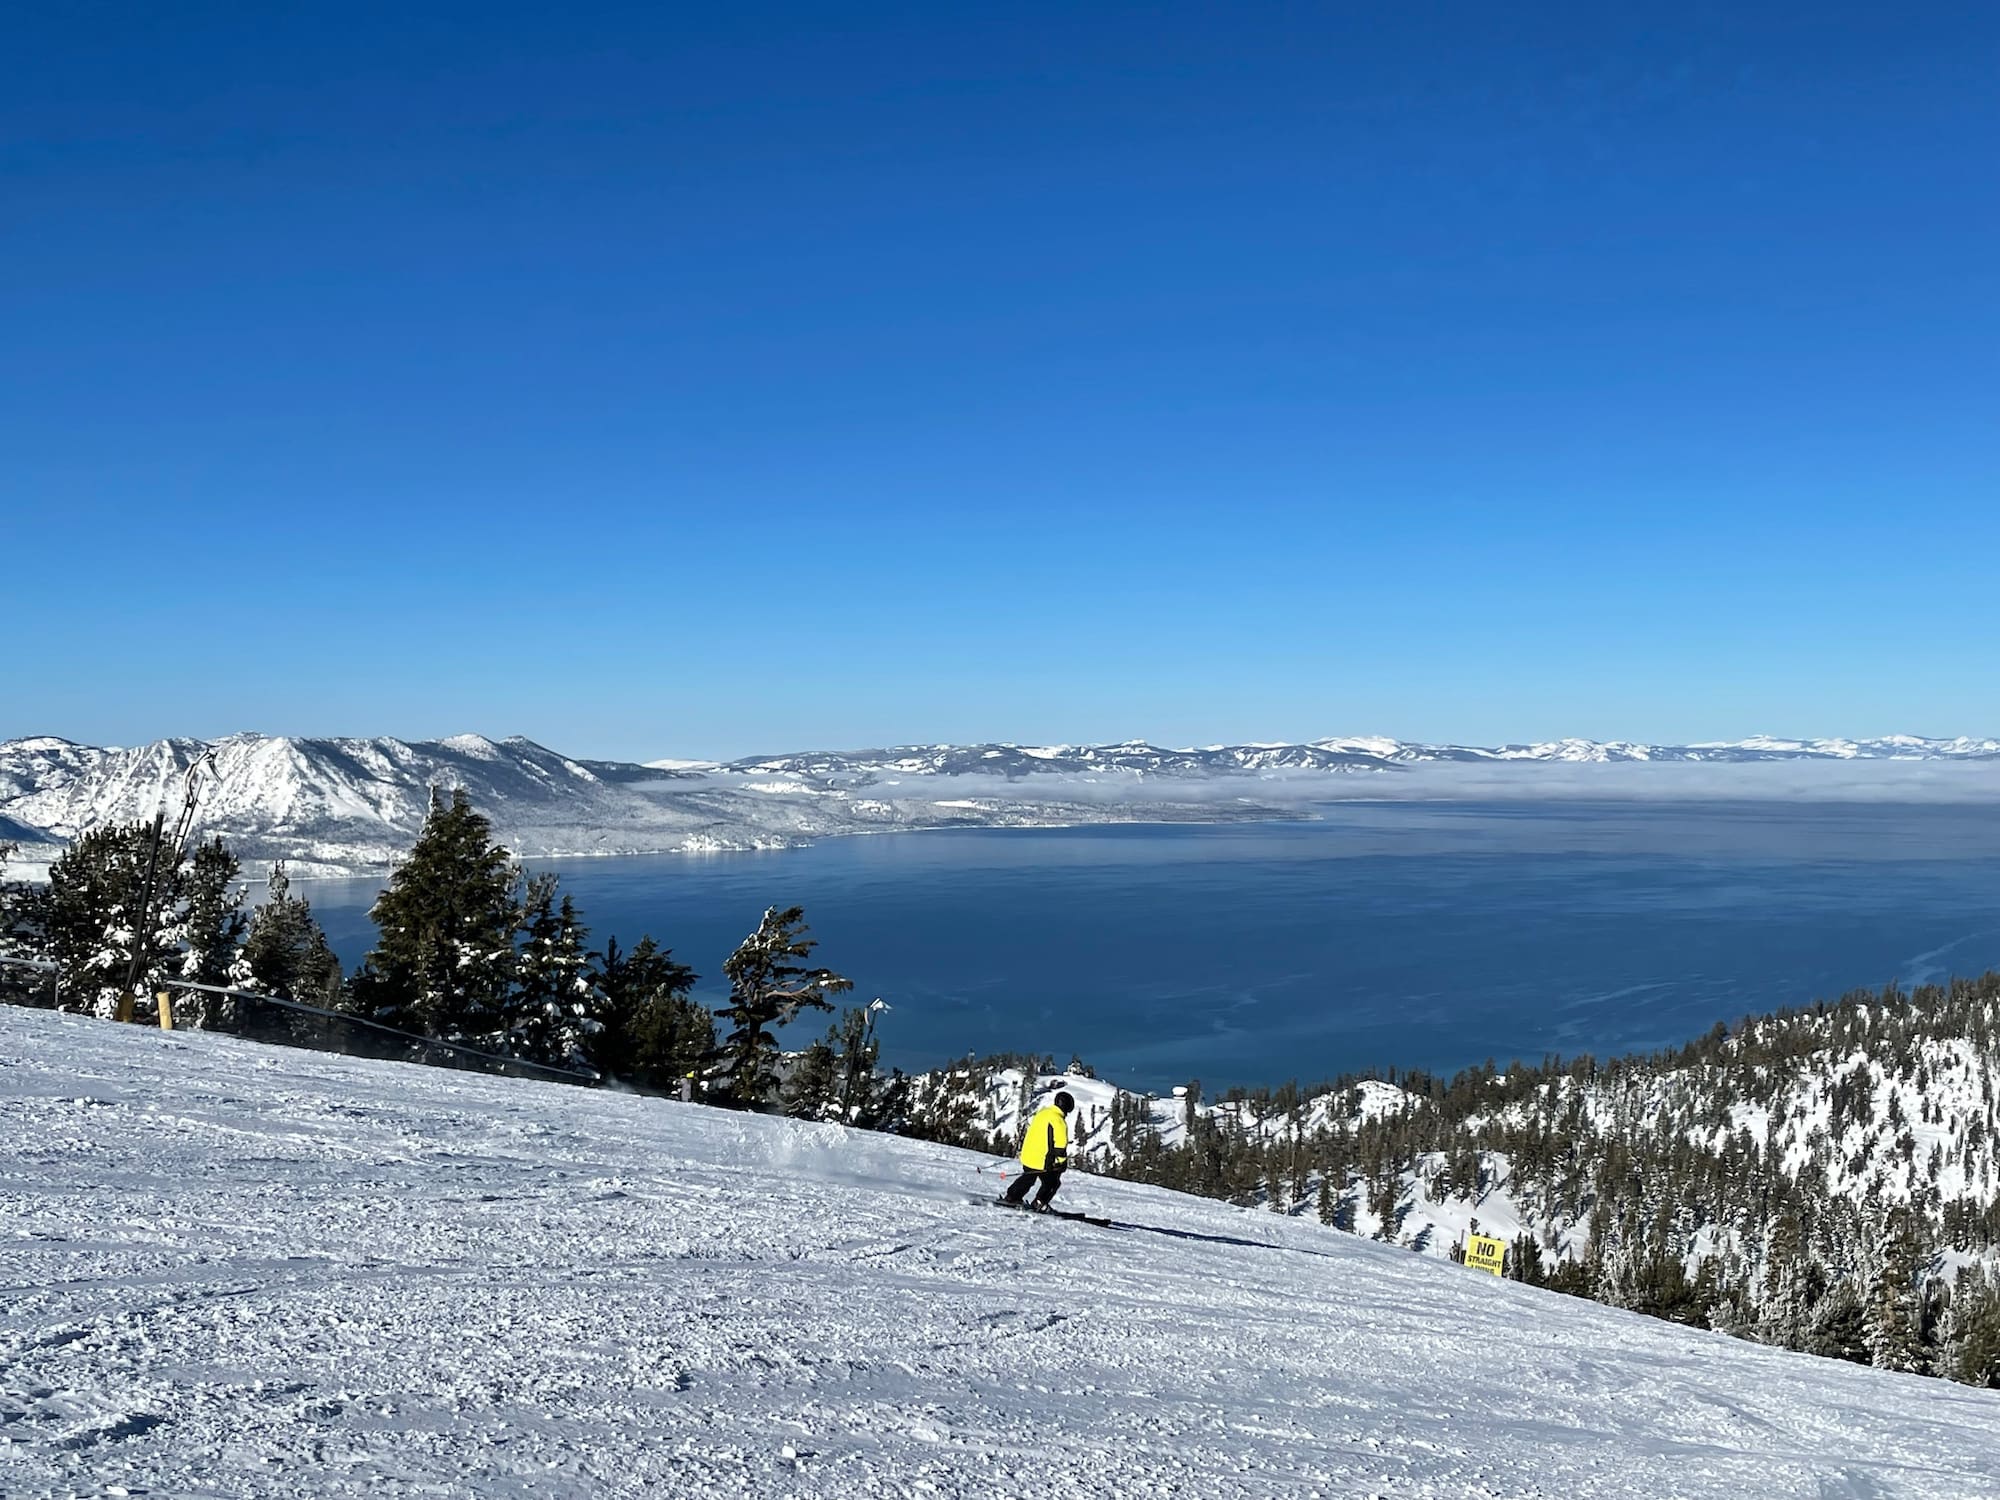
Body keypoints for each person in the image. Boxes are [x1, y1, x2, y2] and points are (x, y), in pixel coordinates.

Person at [1003, 1090, 1074, 1211]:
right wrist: (1061, 1162)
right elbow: (1060, 1146)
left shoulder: (1043, 1113)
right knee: (1052, 1183)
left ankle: (1012, 1196)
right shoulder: (1058, 1120)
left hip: (1028, 1154)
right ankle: (1039, 1203)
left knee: (1028, 1178)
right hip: (1043, 1159)